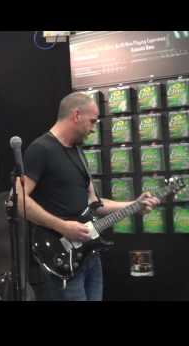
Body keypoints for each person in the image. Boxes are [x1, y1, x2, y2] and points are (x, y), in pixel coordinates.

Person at [16, 92, 160, 301]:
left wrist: (135, 204)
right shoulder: (41, 149)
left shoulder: (78, 153)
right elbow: (16, 200)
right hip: (62, 257)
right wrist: (62, 227)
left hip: (89, 256)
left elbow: (95, 204)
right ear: (76, 115)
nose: (94, 128)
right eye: (92, 121)